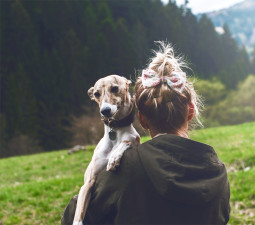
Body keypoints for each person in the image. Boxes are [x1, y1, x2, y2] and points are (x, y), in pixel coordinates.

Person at [61, 42, 230, 225]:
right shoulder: (217, 169)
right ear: (191, 111)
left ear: (141, 119)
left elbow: (73, 218)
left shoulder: (123, 167)